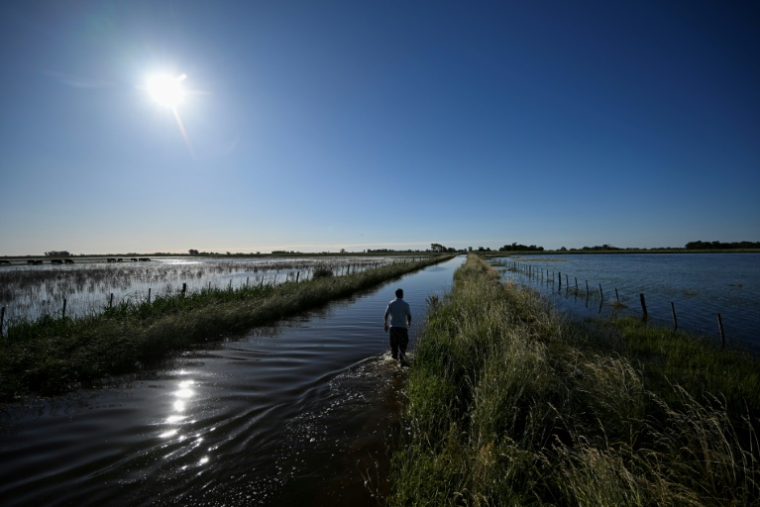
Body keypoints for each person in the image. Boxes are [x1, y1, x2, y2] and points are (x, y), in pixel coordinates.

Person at [384, 288, 411, 362]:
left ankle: (394, 359)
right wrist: (408, 322)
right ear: (402, 294)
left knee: (394, 345)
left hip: (393, 328)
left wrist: (385, 324)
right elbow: (409, 315)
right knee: (404, 343)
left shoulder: (391, 303)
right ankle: (401, 359)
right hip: (402, 328)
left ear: (395, 295)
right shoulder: (405, 304)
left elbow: (386, 314)